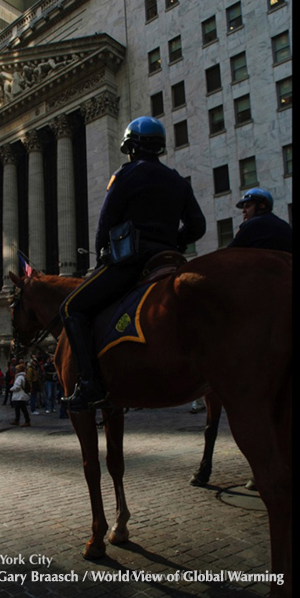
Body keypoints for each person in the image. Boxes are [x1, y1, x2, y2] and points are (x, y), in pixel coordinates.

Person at [59, 116, 206, 411]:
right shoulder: (177, 180)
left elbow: (105, 225)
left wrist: (103, 251)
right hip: (169, 260)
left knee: (71, 308)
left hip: (133, 263)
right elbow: (198, 226)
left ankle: (90, 384)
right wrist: (174, 242)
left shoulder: (126, 175)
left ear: (131, 147)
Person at [228, 188, 293, 253]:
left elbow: (230, 252)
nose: (243, 211)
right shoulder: (285, 226)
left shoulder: (250, 225)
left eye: (247, 206)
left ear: (262, 206)